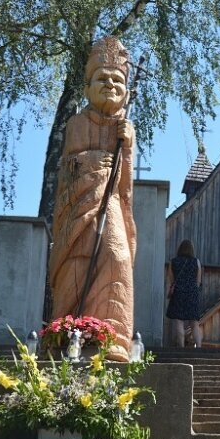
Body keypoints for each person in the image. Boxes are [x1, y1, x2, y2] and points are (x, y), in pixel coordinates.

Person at [49, 36, 137, 362]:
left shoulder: (127, 127)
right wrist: (97, 163)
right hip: (80, 204)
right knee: (77, 262)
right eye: (103, 79)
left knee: (117, 256)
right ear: (87, 88)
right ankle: (62, 334)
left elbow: (125, 182)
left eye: (118, 80)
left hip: (111, 200)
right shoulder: (77, 123)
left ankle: (112, 336)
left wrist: (125, 148)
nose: (111, 85)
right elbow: (71, 166)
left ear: (126, 90)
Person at [166, 239, 203, 348]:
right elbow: (198, 281)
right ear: (191, 250)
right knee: (194, 324)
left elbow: (171, 279)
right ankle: (199, 347)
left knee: (179, 322)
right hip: (192, 292)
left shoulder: (173, 262)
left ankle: (181, 347)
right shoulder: (196, 262)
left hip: (178, 293)